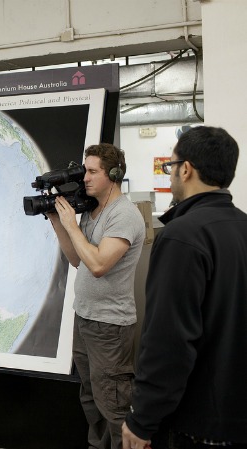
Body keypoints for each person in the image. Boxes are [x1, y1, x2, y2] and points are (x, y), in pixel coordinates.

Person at [122, 126, 247, 449]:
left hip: (198, 423)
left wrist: (142, 419)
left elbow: (168, 341)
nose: (171, 174)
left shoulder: (182, 235)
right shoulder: (242, 226)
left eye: (171, 166)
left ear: (186, 169)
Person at [48, 143, 145, 449]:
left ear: (113, 175)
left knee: (113, 402)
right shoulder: (92, 211)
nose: (85, 178)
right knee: (91, 397)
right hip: (86, 317)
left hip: (110, 326)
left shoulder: (124, 215)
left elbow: (100, 265)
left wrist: (71, 225)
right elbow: (78, 259)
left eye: (92, 172)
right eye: (84, 171)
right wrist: (57, 221)